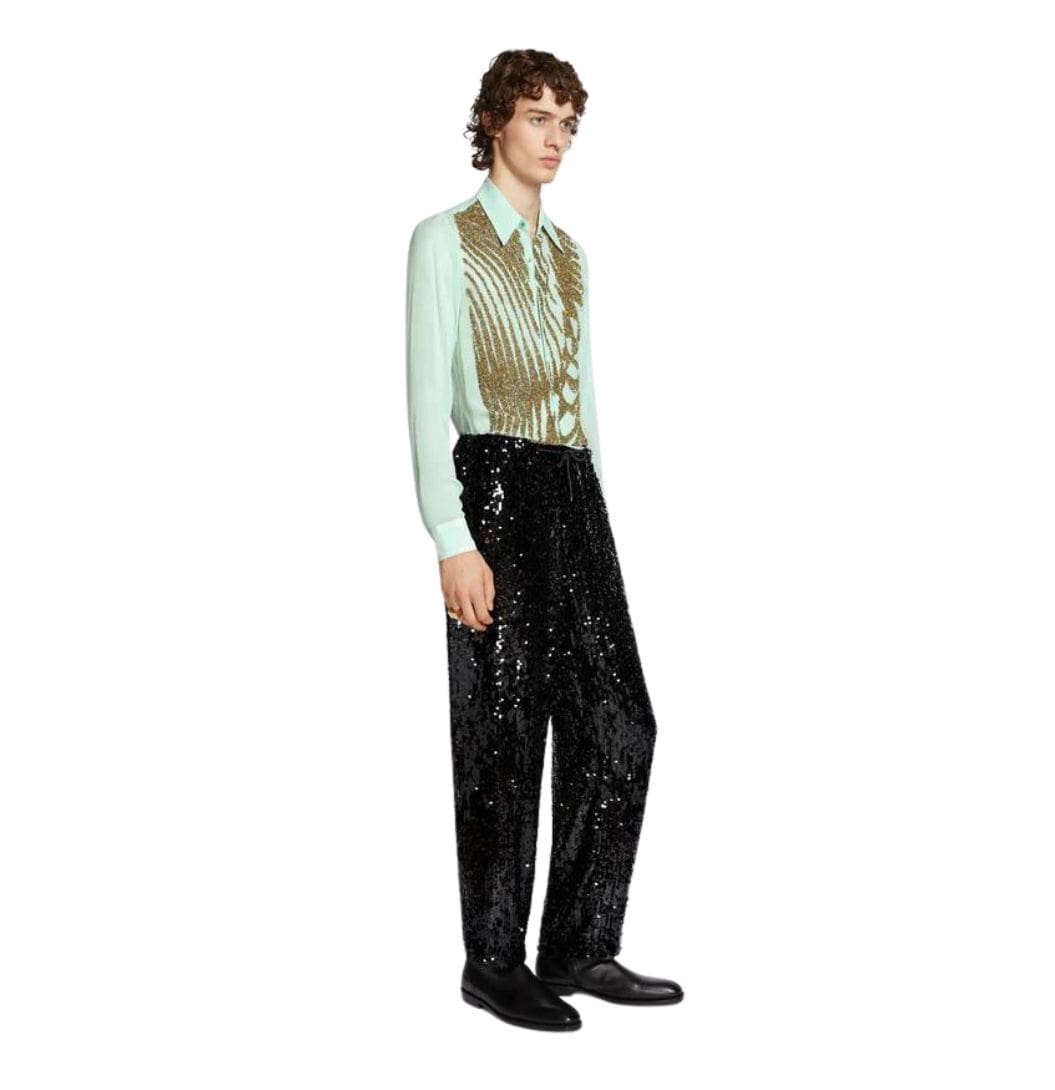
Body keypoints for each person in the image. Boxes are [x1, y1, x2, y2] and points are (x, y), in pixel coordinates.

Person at [405, 49, 683, 1031]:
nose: (557, 138)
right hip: (494, 484)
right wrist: (452, 535)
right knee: (503, 728)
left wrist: (592, 506)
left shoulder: (571, 256)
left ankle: (577, 943)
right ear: (493, 121)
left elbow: (582, 393)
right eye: (538, 117)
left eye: (569, 123)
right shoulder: (443, 239)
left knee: (619, 720)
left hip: (572, 490)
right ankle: (493, 960)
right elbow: (425, 395)